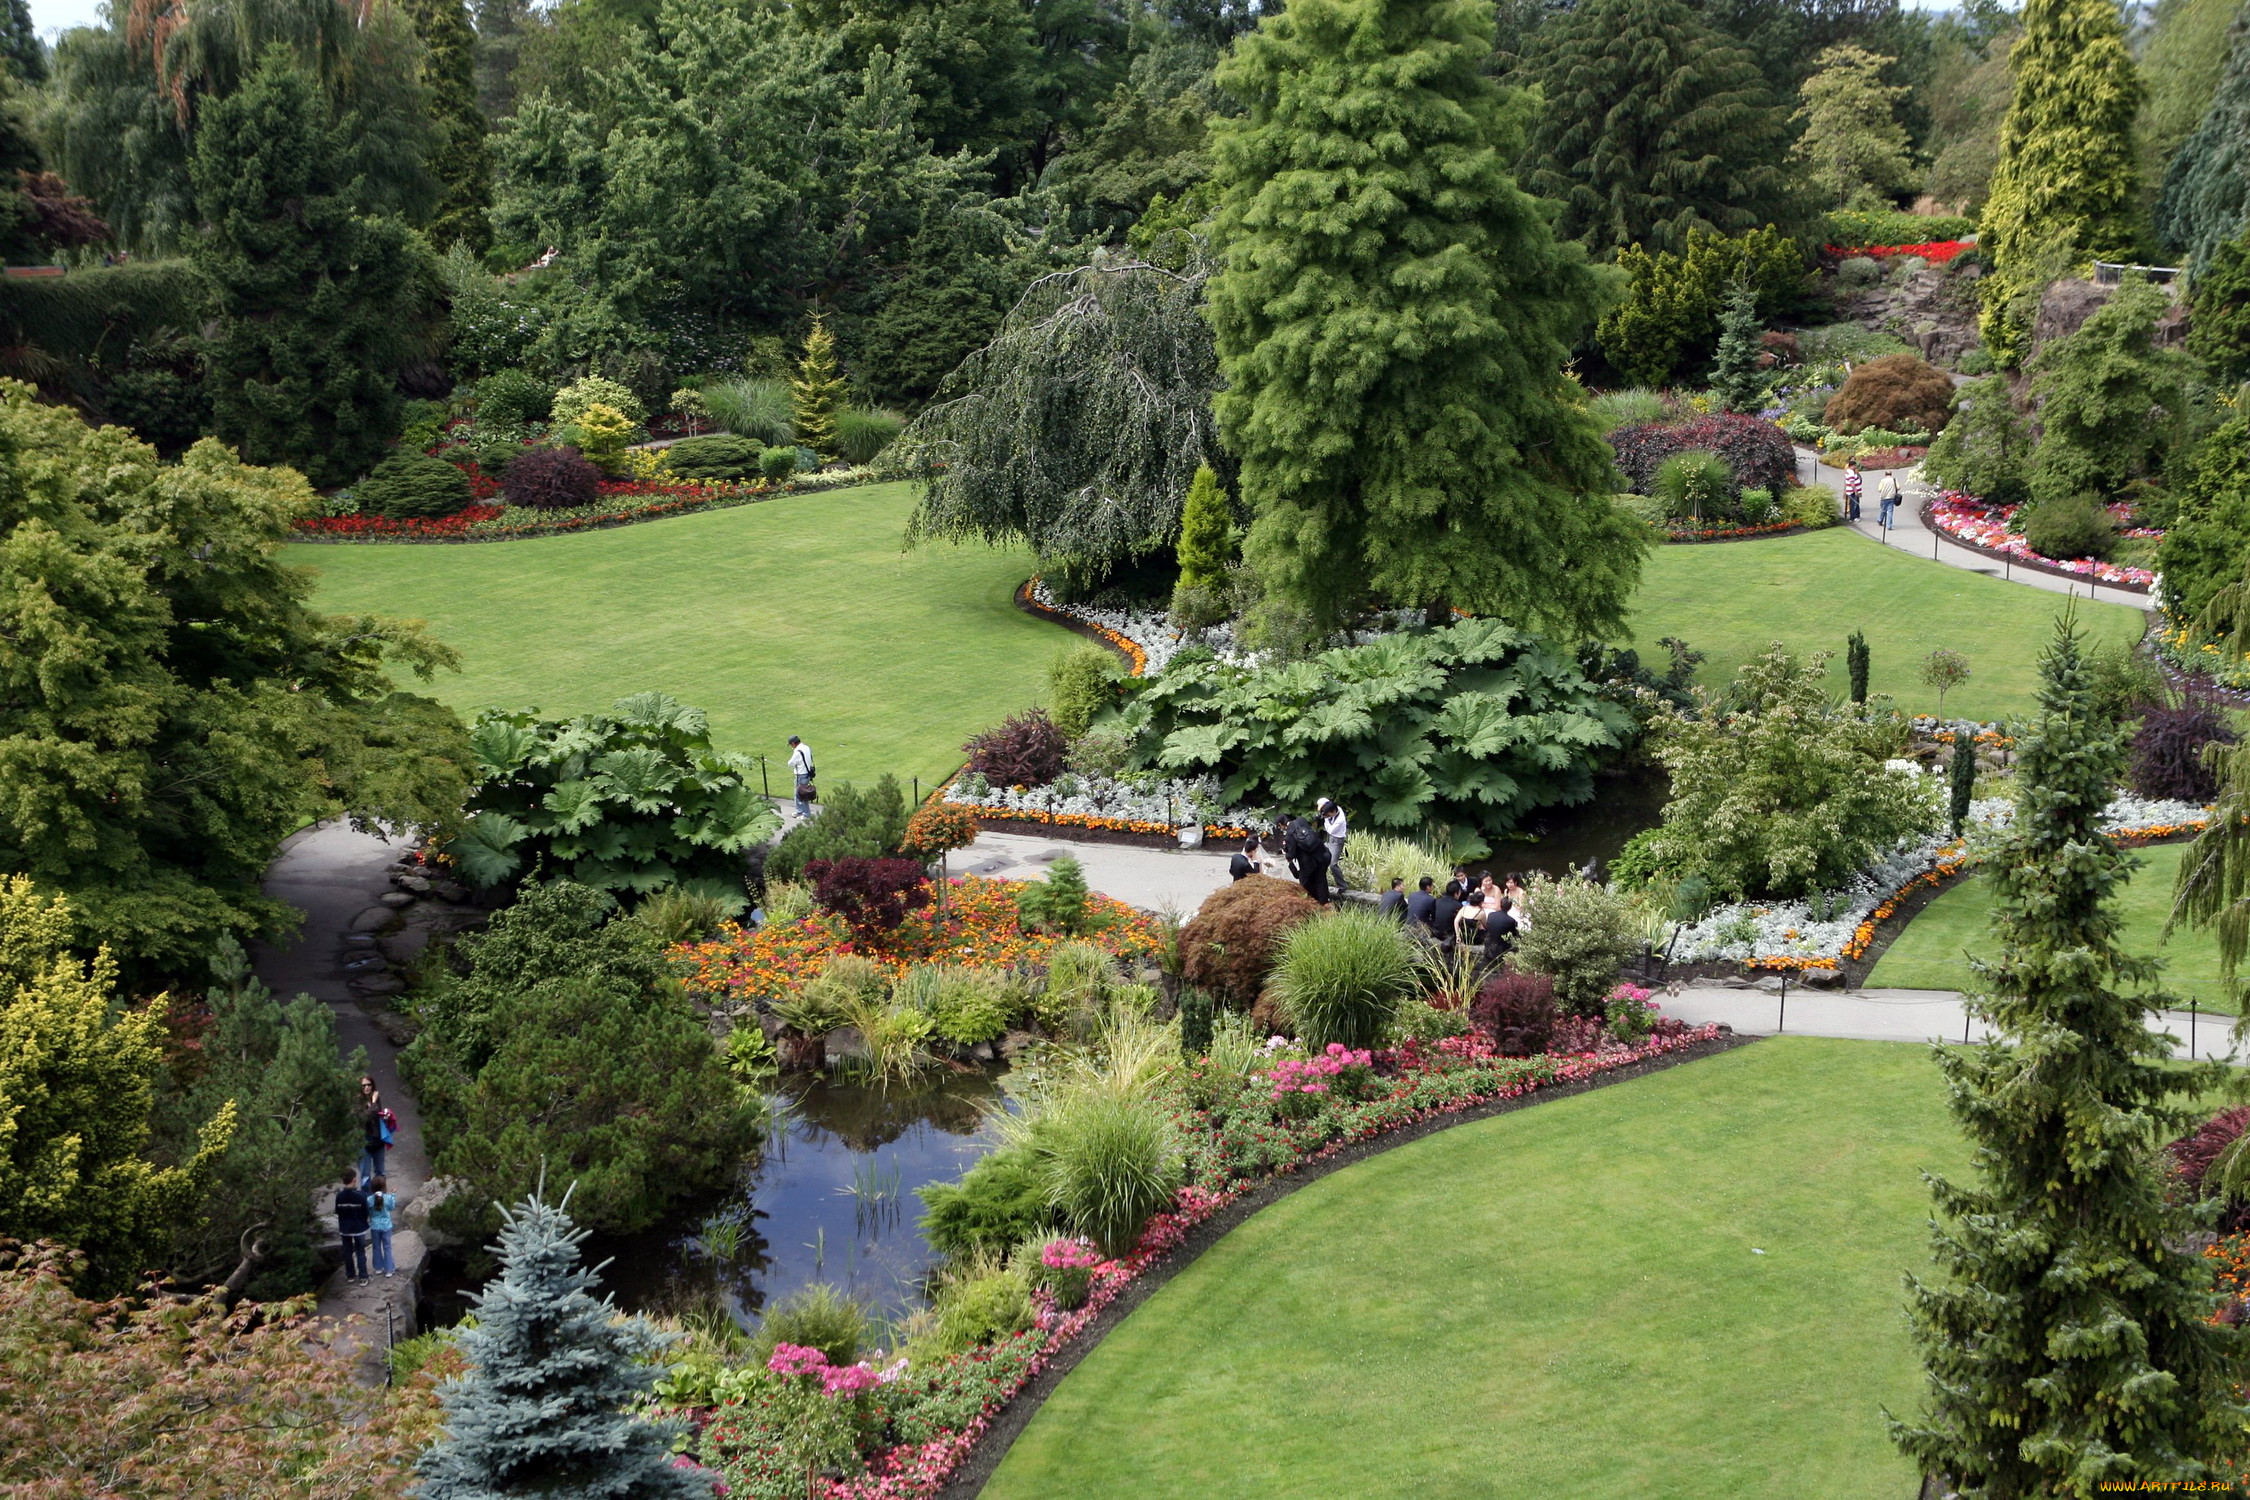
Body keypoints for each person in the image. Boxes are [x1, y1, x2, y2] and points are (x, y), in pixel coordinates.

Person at [1281, 816, 1332, 904]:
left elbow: (1291, 855)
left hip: (1308, 863)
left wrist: (1286, 851)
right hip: (1321, 854)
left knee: (1307, 884)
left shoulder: (1289, 835)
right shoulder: (1302, 820)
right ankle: (1325, 903)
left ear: (1280, 824)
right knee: (1321, 880)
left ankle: (1315, 903)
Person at [334, 1172, 371, 1287]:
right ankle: (363, 1277)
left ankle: (350, 1275)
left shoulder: (339, 1196)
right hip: (358, 1227)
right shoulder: (360, 1195)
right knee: (360, 1252)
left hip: (344, 1228)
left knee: (347, 1252)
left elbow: (337, 1211)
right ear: (354, 1180)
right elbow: (366, 1212)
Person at [357, 1077, 387, 1187]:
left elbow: (376, 1115)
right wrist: (374, 1102)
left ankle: (381, 1200)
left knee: (381, 1172)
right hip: (363, 1142)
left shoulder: (375, 1098)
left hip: (377, 1140)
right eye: (363, 1085)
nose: (366, 1087)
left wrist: (385, 1115)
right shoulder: (356, 1102)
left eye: (369, 1085)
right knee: (365, 1175)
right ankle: (367, 1201)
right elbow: (365, 1118)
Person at [367, 1175, 397, 1279]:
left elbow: (369, 1212)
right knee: (387, 1247)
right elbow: (392, 1207)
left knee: (376, 1247)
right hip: (386, 1226)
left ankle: (378, 1268)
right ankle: (389, 1270)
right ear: (384, 1186)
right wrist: (393, 1194)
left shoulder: (369, 1199)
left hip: (375, 1226)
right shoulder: (387, 1198)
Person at [1318, 799, 1350, 894]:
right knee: (1320, 858)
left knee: (1332, 864)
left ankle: (1342, 885)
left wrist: (1325, 819)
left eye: (1328, 815)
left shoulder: (1340, 820)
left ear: (1333, 812)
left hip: (1337, 841)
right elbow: (1323, 800)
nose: (1327, 816)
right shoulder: (1335, 808)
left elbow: (1330, 830)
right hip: (1329, 838)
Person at [1482, 895, 1520, 964]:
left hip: (1489, 943)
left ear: (1500, 905)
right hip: (1502, 946)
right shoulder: (1510, 920)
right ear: (1510, 907)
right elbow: (1514, 934)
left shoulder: (1491, 915)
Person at [787, 735, 816, 819]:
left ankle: (806, 814)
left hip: (801, 774)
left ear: (793, 743)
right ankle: (799, 810)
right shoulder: (806, 747)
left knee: (802, 794)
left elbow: (790, 763)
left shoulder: (797, 751)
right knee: (799, 793)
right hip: (807, 773)